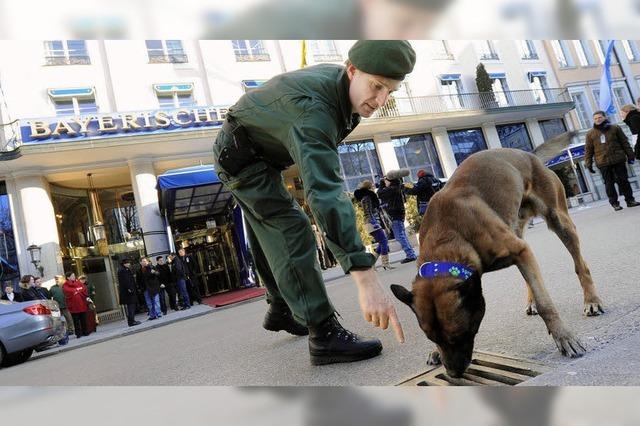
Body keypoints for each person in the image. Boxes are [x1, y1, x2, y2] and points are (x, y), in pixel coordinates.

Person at [212, 40, 413, 365]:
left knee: (268, 230)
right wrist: (365, 276)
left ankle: (280, 307)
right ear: (351, 70)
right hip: (242, 157)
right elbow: (326, 191)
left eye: (390, 91)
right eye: (376, 86)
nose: (380, 100)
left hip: (257, 151)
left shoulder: (346, 92)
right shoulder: (315, 109)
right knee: (291, 228)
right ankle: (324, 334)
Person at [585, 110, 639, 211]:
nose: (597, 120)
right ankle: (615, 203)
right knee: (609, 183)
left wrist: (630, 155)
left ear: (604, 117)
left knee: (623, 181)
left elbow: (624, 142)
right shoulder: (590, 134)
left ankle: (630, 200)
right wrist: (588, 164)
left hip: (618, 159)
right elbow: (588, 150)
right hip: (603, 162)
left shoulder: (615, 128)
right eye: (595, 118)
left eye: (599, 117)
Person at [354, 180, 393, 270]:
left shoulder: (369, 196)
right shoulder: (367, 197)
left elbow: (374, 209)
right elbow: (368, 212)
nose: (373, 186)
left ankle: (372, 263)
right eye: (372, 185)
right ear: (369, 187)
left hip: (373, 221)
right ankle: (385, 263)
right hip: (371, 222)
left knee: (382, 241)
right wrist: (374, 222)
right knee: (383, 241)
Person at [378, 176, 417, 264]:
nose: (385, 182)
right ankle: (411, 254)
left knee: (399, 236)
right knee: (402, 235)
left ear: (391, 181)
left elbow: (379, 194)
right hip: (399, 214)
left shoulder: (393, 189)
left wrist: (381, 184)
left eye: (386, 181)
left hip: (395, 214)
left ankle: (410, 255)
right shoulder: (397, 187)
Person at [62, 271, 89, 338]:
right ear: (68, 277)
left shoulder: (78, 282)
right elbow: (68, 291)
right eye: (72, 276)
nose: (74, 277)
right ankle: (78, 333)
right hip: (73, 306)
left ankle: (85, 332)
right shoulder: (65, 285)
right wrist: (77, 290)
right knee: (76, 320)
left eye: (74, 275)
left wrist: (76, 290)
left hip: (81, 304)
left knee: (83, 319)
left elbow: (83, 288)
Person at [117, 259, 140, 327]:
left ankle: (132, 320)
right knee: (131, 306)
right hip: (128, 292)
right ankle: (131, 321)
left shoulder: (125, 269)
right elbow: (125, 281)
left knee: (131, 306)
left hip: (129, 291)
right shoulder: (122, 270)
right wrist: (129, 289)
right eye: (128, 263)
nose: (129, 264)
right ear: (124, 264)